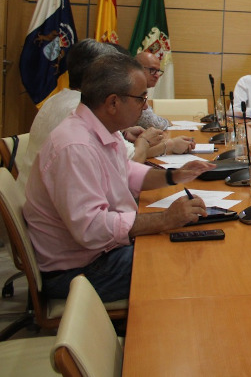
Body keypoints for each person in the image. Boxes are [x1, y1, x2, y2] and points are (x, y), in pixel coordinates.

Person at [23, 53, 214, 302]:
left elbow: (126, 173)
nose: (145, 106)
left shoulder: (101, 128)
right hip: (79, 270)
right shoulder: (75, 147)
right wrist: (165, 219)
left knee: (186, 246)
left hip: (99, 252)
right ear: (113, 102)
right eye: (141, 98)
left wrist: (174, 175)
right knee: (184, 263)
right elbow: (91, 228)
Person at [19, 40, 186, 185]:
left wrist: (124, 134)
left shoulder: (57, 98)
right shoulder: (85, 111)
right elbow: (126, 163)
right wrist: (149, 142)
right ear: (97, 75)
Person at [135, 51, 170, 130]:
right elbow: (154, 124)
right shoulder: (132, 90)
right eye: (152, 70)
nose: (157, 75)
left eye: (158, 71)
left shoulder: (141, 89)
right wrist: (168, 122)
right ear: (137, 68)